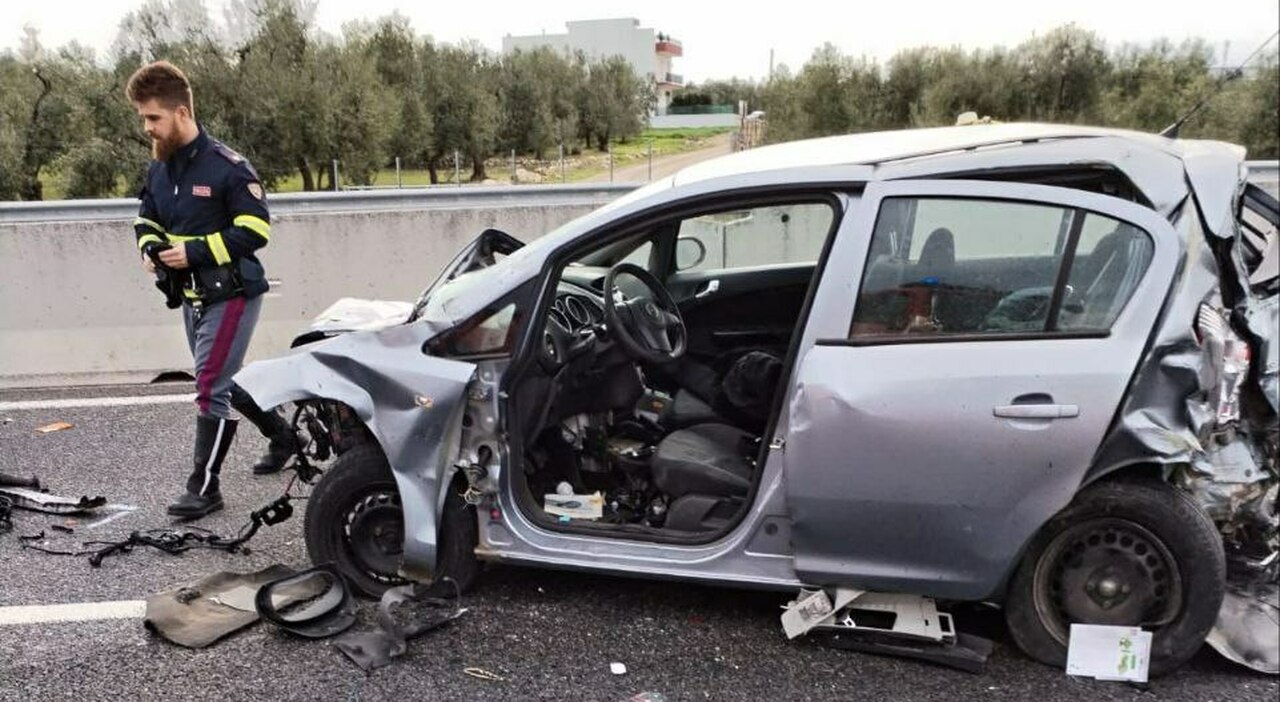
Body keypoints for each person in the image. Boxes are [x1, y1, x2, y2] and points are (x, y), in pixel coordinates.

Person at [127, 61, 293, 519]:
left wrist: (195, 251)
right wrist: (151, 247)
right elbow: (146, 216)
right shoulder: (160, 168)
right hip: (191, 295)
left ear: (181, 113)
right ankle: (283, 435)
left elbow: (256, 230)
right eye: (144, 118)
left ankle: (204, 488)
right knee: (224, 380)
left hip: (234, 293)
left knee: (208, 386)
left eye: (154, 118)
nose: (148, 127)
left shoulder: (228, 168)